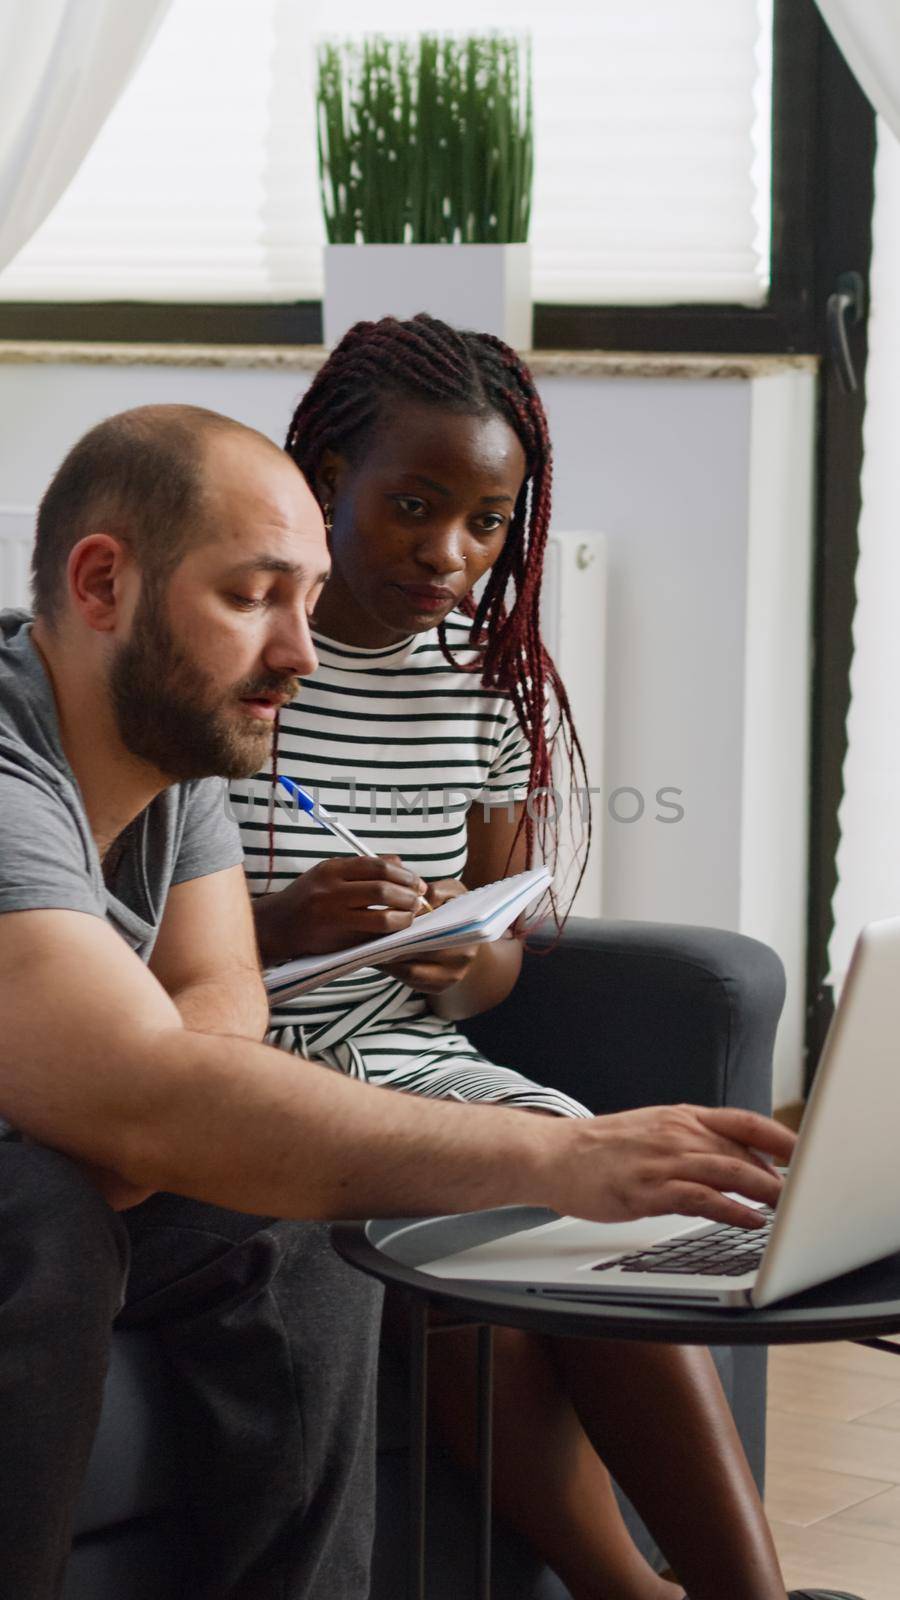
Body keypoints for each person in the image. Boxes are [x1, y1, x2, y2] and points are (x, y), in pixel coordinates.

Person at [0, 400, 809, 1600]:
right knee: (57, 1207)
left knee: (296, 1235)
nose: (301, 652)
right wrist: (559, 1158)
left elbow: (215, 995)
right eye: (253, 596)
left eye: (306, 597)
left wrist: (155, 1116)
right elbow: (142, 1090)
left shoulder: (177, 744)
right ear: (104, 582)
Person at [237, 316, 859, 1600]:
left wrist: (454, 959)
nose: (448, 553)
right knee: (451, 1259)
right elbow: (114, 933)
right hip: (245, 1053)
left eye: (485, 522)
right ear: (321, 480)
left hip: (406, 1048)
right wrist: (279, 928)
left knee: (596, 1213)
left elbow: (501, 948)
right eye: (413, 505)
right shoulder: (235, 656)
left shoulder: (481, 686)